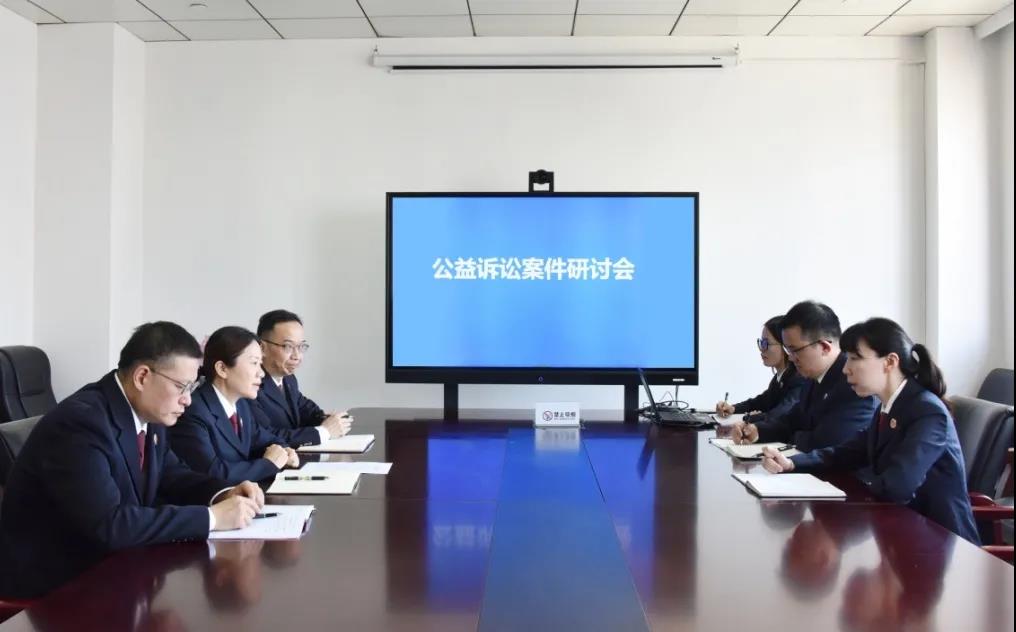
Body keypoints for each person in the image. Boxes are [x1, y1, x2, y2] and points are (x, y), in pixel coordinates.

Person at [0, 322, 264, 600]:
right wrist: (212, 518)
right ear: (142, 377)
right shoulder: (81, 423)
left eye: (192, 386)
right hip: (56, 584)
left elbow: (172, 475)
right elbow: (111, 523)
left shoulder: (149, 412)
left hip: (109, 565)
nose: (188, 400)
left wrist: (224, 492)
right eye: (181, 386)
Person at [761, 317, 979, 543]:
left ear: (890, 362)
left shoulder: (927, 412)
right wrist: (792, 463)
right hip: (902, 534)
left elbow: (898, 486)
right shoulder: (888, 407)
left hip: (944, 543)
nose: (846, 369)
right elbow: (846, 452)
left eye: (855, 358)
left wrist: (852, 488)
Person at [731, 300, 878, 452]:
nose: (791, 358)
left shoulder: (855, 384)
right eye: (788, 350)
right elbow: (792, 421)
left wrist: (797, 437)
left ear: (824, 347)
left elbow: (827, 444)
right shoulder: (813, 377)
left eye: (794, 350)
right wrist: (758, 431)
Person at [170, 326, 300, 485]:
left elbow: (264, 439)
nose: (261, 373)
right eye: (254, 363)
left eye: (260, 363)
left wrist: (284, 450)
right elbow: (212, 473)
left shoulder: (241, 404)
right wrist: (268, 465)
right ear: (222, 369)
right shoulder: (193, 411)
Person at [250, 310, 351, 446]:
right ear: (262, 348)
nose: (297, 356)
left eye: (301, 346)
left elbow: (304, 409)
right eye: (288, 346)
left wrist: (327, 419)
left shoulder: (289, 379)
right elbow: (266, 436)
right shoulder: (250, 384)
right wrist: (325, 432)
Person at [715, 315, 806, 424]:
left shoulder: (799, 379)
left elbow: (782, 413)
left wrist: (752, 418)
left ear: (785, 346)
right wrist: (733, 408)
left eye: (766, 343)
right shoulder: (778, 379)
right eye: (761, 342)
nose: (762, 349)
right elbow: (760, 402)